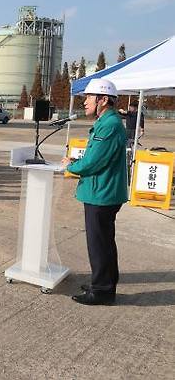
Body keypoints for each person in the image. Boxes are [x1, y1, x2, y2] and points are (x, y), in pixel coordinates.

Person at [62, 79, 128, 306]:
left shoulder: (109, 125)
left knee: (99, 243)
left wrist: (71, 166)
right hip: (102, 190)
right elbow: (98, 156)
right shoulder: (106, 122)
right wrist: (78, 161)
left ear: (102, 99)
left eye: (88, 98)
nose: (85, 103)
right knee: (104, 241)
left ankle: (102, 291)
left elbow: (94, 162)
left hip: (102, 192)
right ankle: (103, 283)